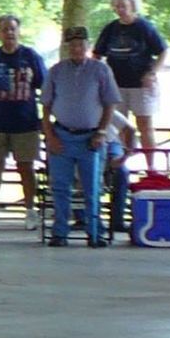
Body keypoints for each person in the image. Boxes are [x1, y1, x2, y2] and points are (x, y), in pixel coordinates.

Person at [42, 25, 122, 247]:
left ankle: (95, 232)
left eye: (81, 44)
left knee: (92, 187)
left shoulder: (101, 70)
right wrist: (50, 136)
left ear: (87, 46)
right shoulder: (56, 71)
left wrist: (102, 132)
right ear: (67, 47)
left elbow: (110, 103)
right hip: (62, 134)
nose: (77, 49)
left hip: (91, 137)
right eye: (72, 45)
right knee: (60, 187)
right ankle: (60, 232)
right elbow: (46, 106)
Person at [0, 13, 46, 231]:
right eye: (5, 29)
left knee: (26, 166)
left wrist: (46, 119)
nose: (9, 33)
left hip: (26, 122)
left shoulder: (31, 56)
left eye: (13, 28)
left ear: (19, 31)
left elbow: (46, 88)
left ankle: (31, 212)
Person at [92, 0, 166, 153]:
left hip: (141, 85)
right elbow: (97, 54)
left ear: (132, 5)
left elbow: (163, 51)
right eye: (117, 6)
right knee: (119, 125)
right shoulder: (110, 29)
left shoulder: (144, 27)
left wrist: (152, 73)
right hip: (117, 85)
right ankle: (120, 164)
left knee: (145, 125)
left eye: (123, 6)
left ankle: (151, 169)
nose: (120, 10)